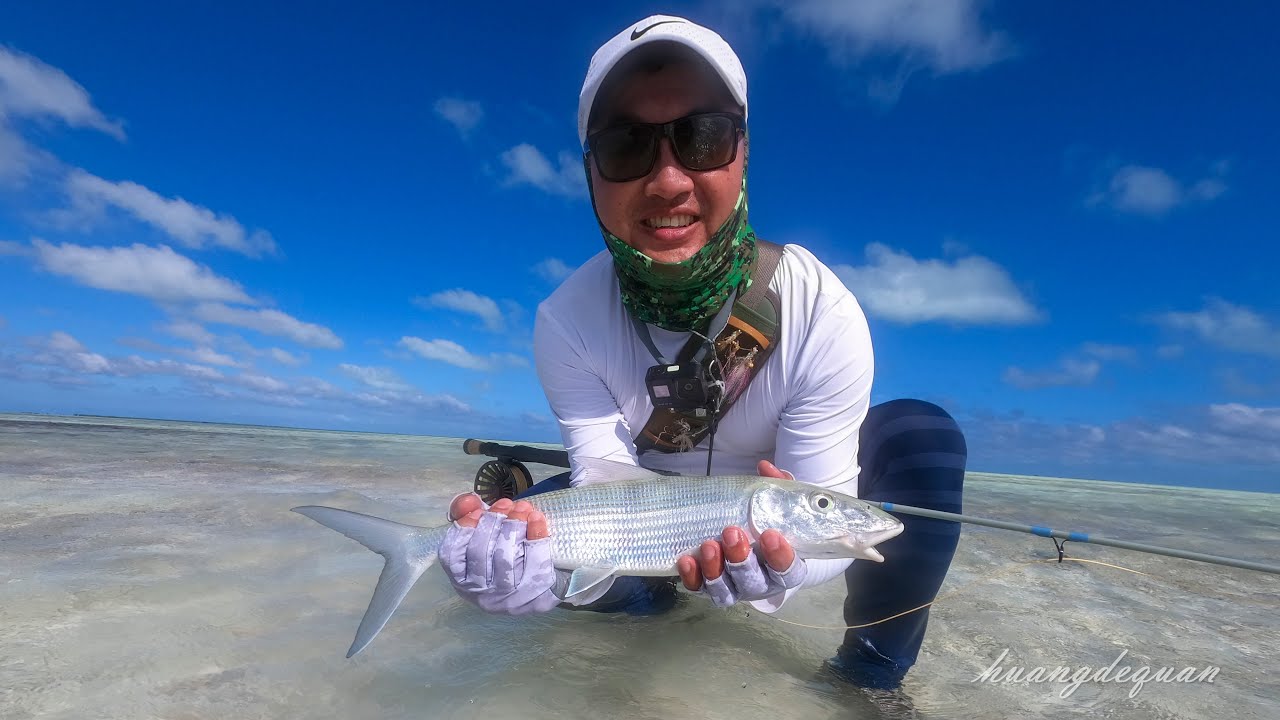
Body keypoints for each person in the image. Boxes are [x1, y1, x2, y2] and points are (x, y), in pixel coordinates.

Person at [440, 15, 966, 690]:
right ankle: (637, 600)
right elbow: (603, 476)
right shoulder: (564, 320)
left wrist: (782, 566)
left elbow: (824, 532)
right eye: (628, 146)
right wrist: (535, 578)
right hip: (635, 508)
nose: (667, 181)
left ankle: (869, 680)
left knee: (923, 434)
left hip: (755, 506)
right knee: (550, 565)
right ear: (590, 175)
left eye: (702, 136)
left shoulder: (818, 308)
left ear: (742, 152)